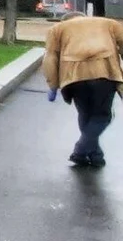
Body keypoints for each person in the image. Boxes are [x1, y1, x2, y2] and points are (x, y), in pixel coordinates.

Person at [44, 15, 123, 167]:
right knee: (102, 116)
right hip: (104, 73)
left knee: (85, 114)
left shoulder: (57, 29)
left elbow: (50, 57)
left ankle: (95, 155)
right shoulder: (110, 24)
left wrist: (52, 85)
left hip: (73, 77)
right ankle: (80, 151)